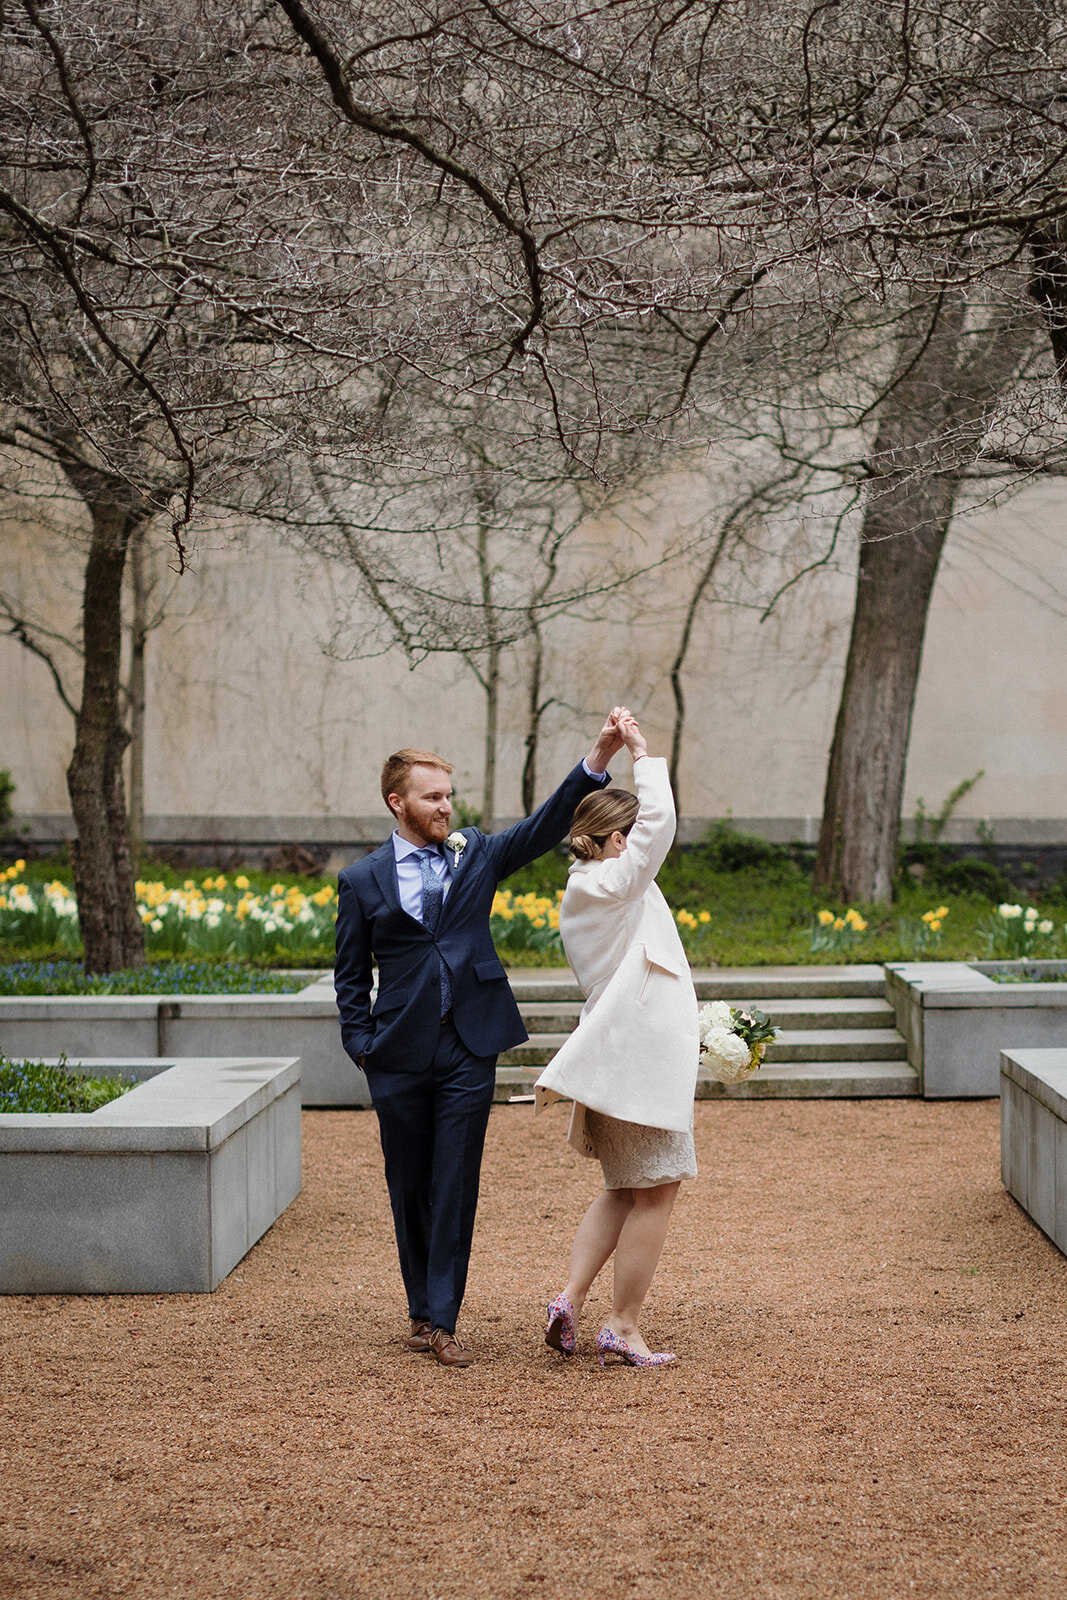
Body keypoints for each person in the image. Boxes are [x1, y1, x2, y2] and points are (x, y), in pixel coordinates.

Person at [334, 712, 624, 1367]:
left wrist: (596, 759)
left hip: (468, 1044)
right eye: (432, 797)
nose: (445, 807)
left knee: (456, 1181)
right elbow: (350, 975)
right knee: (408, 1184)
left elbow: (544, 824)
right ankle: (418, 1308)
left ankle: (442, 1320)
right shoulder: (361, 881)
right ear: (397, 802)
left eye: (448, 796)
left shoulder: (477, 853)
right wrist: (362, 1044)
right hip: (396, 1052)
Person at [535, 713, 699, 1368]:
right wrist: (640, 754)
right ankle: (623, 1325)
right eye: (627, 838)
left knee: (625, 1190)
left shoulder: (600, 888)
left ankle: (569, 1298)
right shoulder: (608, 883)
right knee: (657, 1187)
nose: (640, 847)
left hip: (622, 1064)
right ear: (606, 841)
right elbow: (659, 828)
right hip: (636, 1068)